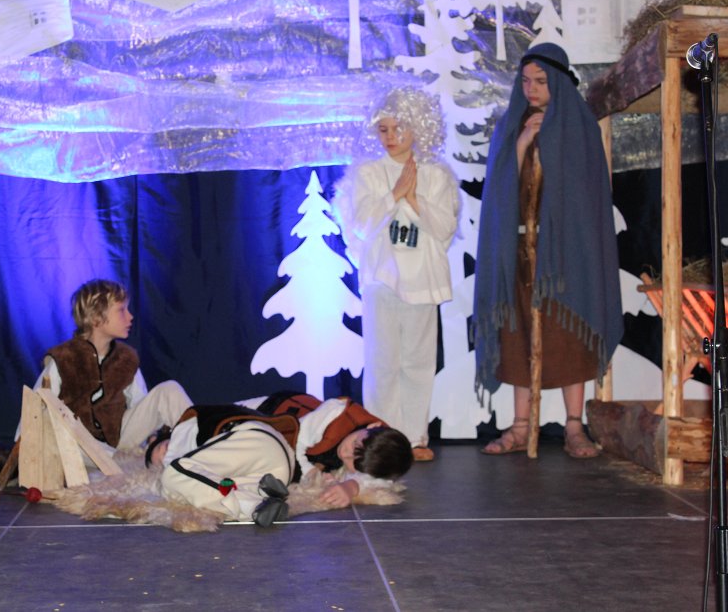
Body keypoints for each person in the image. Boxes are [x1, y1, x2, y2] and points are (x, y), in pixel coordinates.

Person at [473, 43, 623, 458]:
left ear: (558, 81)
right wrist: (522, 143)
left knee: (570, 333)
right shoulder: (510, 126)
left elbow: (584, 194)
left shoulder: (580, 126)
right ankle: (521, 426)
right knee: (518, 334)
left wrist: (552, 144)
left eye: (540, 81)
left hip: (567, 253)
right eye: (525, 81)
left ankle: (574, 426)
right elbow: (499, 189)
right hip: (520, 252)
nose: (532, 89)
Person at [333, 86, 459, 462]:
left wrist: (414, 197)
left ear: (418, 127)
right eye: (383, 129)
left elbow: (444, 228)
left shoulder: (436, 175)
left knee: (418, 363)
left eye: (398, 128)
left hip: (422, 280)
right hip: (382, 280)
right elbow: (359, 225)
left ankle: (415, 437)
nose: (390, 137)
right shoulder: (367, 174)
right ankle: (381, 438)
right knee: (383, 363)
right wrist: (394, 195)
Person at [28, 279, 190, 453]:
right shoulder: (64, 358)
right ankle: (117, 459)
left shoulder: (126, 358)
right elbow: (35, 409)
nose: (130, 316)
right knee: (63, 430)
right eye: (121, 310)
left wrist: (151, 437)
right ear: (96, 317)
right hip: (79, 448)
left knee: (169, 390)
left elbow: (141, 405)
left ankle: (203, 448)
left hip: (118, 440)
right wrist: (26, 447)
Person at [238, 392, 412, 509]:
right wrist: (311, 472)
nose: (345, 454)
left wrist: (352, 487)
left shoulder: (378, 448)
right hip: (255, 413)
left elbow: (384, 481)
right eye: (353, 445)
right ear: (373, 426)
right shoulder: (333, 416)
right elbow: (293, 442)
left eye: (353, 462)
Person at [146, 404, 299, 527]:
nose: (166, 455)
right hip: (281, 467)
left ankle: (252, 505)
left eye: (161, 448)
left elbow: (174, 465)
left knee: (173, 475)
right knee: (217, 484)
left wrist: (166, 479)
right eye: (160, 462)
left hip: (256, 439)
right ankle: (261, 492)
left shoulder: (184, 426)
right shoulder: (209, 458)